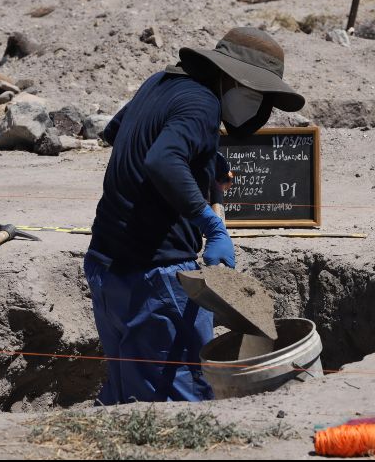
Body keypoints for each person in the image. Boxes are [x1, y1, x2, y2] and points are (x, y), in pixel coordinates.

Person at [84, 27, 305, 405]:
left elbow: (119, 131)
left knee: (130, 393)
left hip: (108, 267)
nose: (258, 105)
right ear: (230, 78)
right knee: (181, 401)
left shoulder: (160, 82)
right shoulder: (202, 103)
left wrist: (204, 164)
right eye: (256, 94)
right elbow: (162, 159)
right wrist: (211, 224)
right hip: (158, 276)